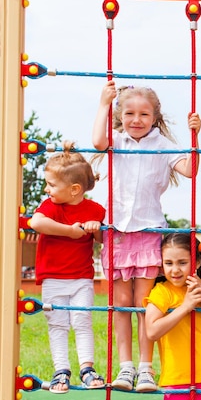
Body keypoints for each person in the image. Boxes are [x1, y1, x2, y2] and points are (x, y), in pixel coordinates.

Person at [92, 80, 201, 392]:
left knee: (144, 304)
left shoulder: (163, 145)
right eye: (129, 113)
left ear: (155, 117)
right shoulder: (116, 140)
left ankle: (145, 368)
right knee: (121, 304)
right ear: (120, 116)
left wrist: (195, 135)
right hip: (117, 233)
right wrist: (103, 104)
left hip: (148, 231)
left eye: (144, 114)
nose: (136, 119)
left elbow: (191, 170)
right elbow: (98, 141)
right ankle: (125, 367)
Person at [30, 141, 106, 394]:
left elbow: (102, 239)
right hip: (53, 278)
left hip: (81, 278)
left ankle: (87, 368)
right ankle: (61, 370)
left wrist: (97, 228)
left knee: (82, 321)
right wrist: (70, 232)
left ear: (74, 189)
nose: (47, 189)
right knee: (58, 325)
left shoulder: (95, 210)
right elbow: (36, 223)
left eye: (52, 185)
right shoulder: (50, 206)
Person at [144, 233, 201, 400]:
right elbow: (151, 331)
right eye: (168, 263)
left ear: (196, 262)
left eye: (182, 263)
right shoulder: (161, 292)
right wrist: (185, 307)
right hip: (176, 378)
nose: (175, 270)